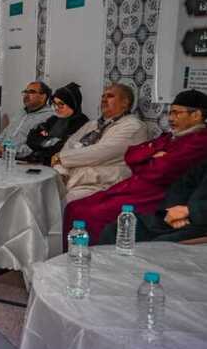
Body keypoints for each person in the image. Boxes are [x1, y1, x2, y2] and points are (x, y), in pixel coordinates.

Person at [67, 89, 207, 242]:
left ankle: (91, 255)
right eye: (170, 113)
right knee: (74, 207)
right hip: (133, 186)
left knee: (90, 214)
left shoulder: (199, 141)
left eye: (177, 113)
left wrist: (148, 158)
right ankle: (70, 254)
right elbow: (131, 155)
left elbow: (160, 171)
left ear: (196, 115)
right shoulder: (170, 136)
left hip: (154, 195)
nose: (171, 118)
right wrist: (152, 155)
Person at [52, 83, 150, 203]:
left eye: (110, 96)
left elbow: (101, 152)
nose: (104, 99)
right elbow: (69, 145)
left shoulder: (134, 126)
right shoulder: (93, 124)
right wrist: (61, 172)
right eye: (103, 96)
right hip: (72, 178)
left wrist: (61, 158)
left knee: (66, 203)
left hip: (103, 184)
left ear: (125, 103)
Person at [100, 157, 207, 245]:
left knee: (156, 247)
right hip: (180, 215)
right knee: (117, 229)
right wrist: (174, 209)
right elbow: (183, 184)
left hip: (200, 224)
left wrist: (190, 211)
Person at [22, 83, 90, 165]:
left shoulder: (81, 122)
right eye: (54, 103)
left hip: (61, 165)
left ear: (72, 104)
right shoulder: (54, 119)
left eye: (61, 104)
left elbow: (64, 147)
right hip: (40, 162)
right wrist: (50, 142)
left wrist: (44, 141)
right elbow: (31, 138)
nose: (56, 108)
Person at [0, 81, 53, 158]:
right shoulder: (21, 111)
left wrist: (9, 151)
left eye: (31, 92)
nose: (26, 95)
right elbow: (7, 130)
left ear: (43, 97)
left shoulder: (49, 117)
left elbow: (36, 146)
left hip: (20, 160)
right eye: (25, 92)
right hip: (1, 155)